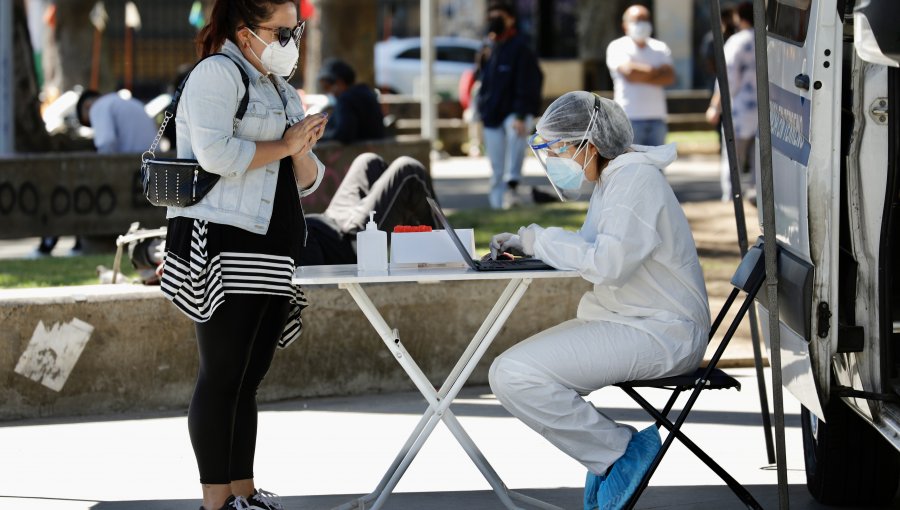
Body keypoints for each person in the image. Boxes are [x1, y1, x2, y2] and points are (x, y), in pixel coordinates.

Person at [487, 91, 710, 510]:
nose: (555, 159)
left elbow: (607, 264)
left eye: (559, 149)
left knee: (515, 375)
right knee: (511, 372)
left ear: (590, 143)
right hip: (633, 321)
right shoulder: (616, 179)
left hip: (660, 331)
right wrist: (529, 243)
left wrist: (541, 240)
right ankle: (610, 453)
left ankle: (618, 452)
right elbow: (593, 245)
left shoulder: (634, 180)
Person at [158, 1, 328, 509]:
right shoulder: (217, 73)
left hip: (273, 241)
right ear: (244, 31)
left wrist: (300, 147)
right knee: (223, 374)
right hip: (224, 240)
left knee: (249, 378)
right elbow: (217, 155)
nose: (289, 41)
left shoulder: (280, 87)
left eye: (292, 30)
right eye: (279, 31)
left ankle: (243, 493)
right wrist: (286, 143)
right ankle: (216, 502)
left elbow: (311, 179)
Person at [35, 88, 158, 256]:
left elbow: (106, 143)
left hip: (128, 174)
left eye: (90, 122)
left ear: (87, 106)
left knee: (73, 193)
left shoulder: (99, 107)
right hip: (146, 173)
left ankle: (53, 244)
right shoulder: (129, 103)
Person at [300, 152, 439, 265]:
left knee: (369, 162)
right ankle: (446, 250)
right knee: (409, 171)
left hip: (329, 220)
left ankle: (418, 249)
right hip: (351, 244)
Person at [476, 0, 543, 210]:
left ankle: (511, 188)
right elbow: (482, 82)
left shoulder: (521, 48)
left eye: (500, 17)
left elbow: (529, 82)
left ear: (511, 19)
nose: (495, 22)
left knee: (516, 134)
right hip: (492, 113)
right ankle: (497, 205)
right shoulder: (489, 48)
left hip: (513, 112)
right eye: (492, 17)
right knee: (496, 165)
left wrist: (522, 114)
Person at [705, 2, 757, 202]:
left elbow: (727, 79)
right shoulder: (769, 41)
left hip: (739, 111)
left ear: (740, 17)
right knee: (760, 161)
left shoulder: (736, 42)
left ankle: (732, 197)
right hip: (766, 111)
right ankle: (758, 197)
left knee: (733, 159)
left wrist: (715, 106)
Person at [605, 4, 675, 147]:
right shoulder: (617, 46)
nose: (642, 24)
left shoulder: (660, 47)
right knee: (631, 166)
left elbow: (669, 77)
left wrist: (641, 73)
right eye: (637, 20)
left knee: (656, 168)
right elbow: (630, 74)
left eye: (645, 20)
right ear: (625, 25)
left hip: (657, 119)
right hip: (629, 118)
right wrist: (657, 71)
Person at [316, 58, 385, 144]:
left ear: (339, 83)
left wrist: (318, 136)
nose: (328, 92)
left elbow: (344, 134)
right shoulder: (366, 91)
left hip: (356, 151)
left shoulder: (346, 100)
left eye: (327, 87)